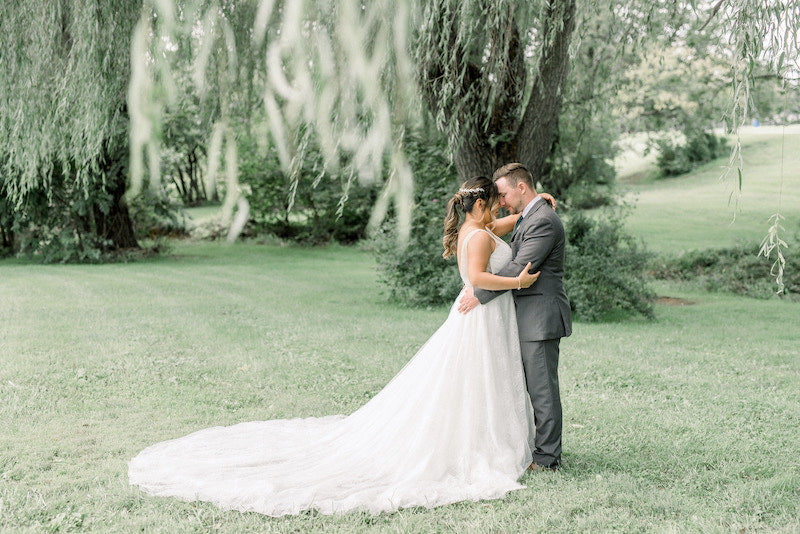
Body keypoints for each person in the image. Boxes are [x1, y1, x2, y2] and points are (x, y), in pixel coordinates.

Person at [128, 176, 547, 517]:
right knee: (473, 380)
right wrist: (517, 281)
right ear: (479, 206)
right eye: (494, 204)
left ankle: (478, 436)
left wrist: (532, 206)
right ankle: (475, 444)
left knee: (474, 383)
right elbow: (478, 280)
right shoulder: (477, 237)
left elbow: (498, 230)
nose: (499, 210)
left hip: (481, 318)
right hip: (480, 315)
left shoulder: (477, 229)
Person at [458, 162, 572, 471]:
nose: (502, 202)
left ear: (521, 187)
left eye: (505, 194)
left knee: (542, 390)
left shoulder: (544, 221)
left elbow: (519, 266)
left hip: (539, 318)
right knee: (521, 386)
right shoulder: (530, 215)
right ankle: (527, 446)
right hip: (521, 317)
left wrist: (478, 293)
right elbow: (500, 228)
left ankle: (548, 459)